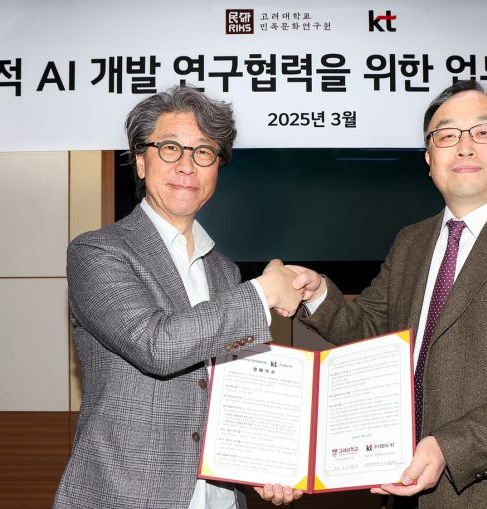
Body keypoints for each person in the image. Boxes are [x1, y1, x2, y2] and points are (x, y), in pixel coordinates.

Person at [288, 80, 487, 508]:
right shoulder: (410, 242)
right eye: (447, 135)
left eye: (484, 132)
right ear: (429, 158)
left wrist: (450, 447)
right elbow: (372, 329)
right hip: (398, 485)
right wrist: (317, 293)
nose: (465, 146)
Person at [53, 85, 303, 509]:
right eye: (170, 148)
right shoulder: (97, 251)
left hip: (220, 497)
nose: (187, 165)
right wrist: (263, 291)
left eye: (203, 152)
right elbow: (157, 345)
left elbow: (236, 390)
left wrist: (265, 463)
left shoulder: (224, 272)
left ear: (217, 168)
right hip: (126, 495)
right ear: (140, 160)